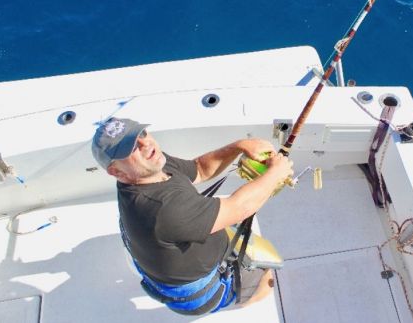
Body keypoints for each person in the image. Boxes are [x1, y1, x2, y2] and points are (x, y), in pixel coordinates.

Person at [92, 117, 294, 315]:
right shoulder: (163, 208)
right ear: (115, 171)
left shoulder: (150, 166)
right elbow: (239, 208)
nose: (146, 144)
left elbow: (199, 169)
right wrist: (276, 173)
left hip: (157, 256)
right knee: (268, 283)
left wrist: (239, 146)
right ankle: (235, 301)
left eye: (141, 133)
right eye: (132, 147)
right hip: (199, 292)